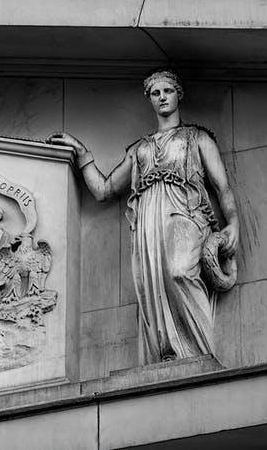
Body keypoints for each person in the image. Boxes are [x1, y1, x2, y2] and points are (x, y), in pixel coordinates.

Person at [48, 70, 240, 363]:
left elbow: (222, 187)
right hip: (150, 221)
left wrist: (233, 223)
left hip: (184, 214)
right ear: (149, 99)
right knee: (153, 286)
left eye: (168, 91)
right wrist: (82, 153)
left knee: (179, 271)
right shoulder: (141, 149)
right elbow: (104, 189)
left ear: (179, 94)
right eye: (155, 93)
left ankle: (199, 350)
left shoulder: (197, 138)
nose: (162, 97)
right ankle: (168, 352)